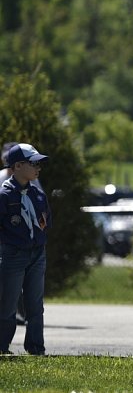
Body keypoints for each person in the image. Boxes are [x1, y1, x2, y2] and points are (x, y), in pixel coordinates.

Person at [0, 143, 49, 355]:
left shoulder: (38, 195)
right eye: (33, 163)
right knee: (8, 304)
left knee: (35, 305)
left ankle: (36, 347)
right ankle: (2, 346)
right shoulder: (4, 195)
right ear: (17, 166)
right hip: (13, 253)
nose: (38, 168)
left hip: (37, 253)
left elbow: (46, 221)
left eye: (39, 164)